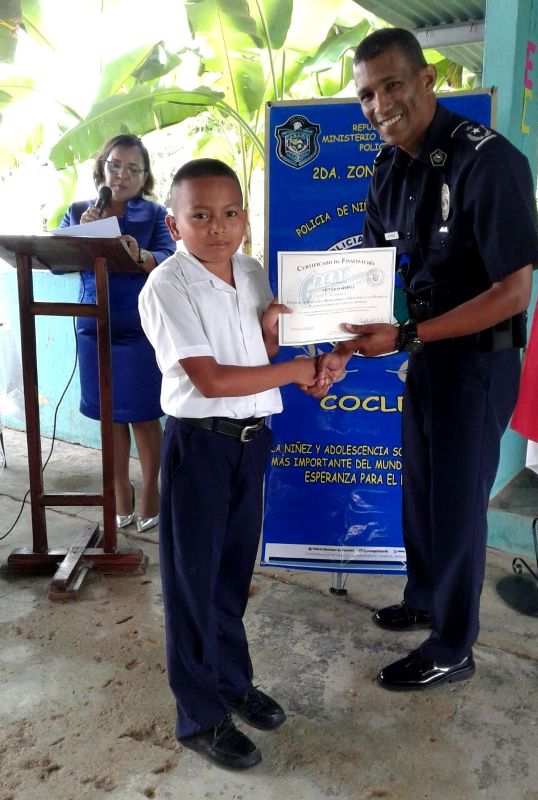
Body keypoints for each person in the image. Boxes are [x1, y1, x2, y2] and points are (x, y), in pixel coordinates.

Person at [316, 28, 538, 691]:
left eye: (392, 85)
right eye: (367, 94)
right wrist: (337, 343)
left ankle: (452, 646)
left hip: (478, 363)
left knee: (456, 505)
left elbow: (512, 293)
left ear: (427, 80)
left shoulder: (488, 162)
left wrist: (409, 336)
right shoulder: (389, 169)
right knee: (419, 491)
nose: (380, 104)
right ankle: (424, 598)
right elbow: (367, 277)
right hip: (425, 357)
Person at [138, 158, 324, 770]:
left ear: (244, 216)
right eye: (200, 215)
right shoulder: (167, 285)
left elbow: (257, 356)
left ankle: (231, 681)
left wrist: (276, 338)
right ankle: (198, 716)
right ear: (174, 224)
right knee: (192, 583)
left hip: (251, 441)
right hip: (200, 444)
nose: (218, 227)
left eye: (230, 213)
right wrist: (297, 370)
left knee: (230, 574)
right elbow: (212, 380)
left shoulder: (250, 270)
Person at [61, 134, 175, 533]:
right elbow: (58, 262)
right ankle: (119, 489)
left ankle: (150, 492)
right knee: (108, 415)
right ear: (102, 168)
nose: (121, 175)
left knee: (143, 415)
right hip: (93, 326)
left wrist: (139, 254)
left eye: (132, 169)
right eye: (115, 165)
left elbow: (169, 257)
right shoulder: (80, 211)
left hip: (139, 328)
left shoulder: (155, 214)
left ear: (144, 177)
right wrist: (80, 235)